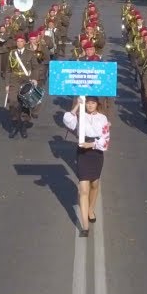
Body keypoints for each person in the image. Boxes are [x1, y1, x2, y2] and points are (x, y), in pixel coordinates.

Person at [62, 96, 110, 238]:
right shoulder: (80, 116)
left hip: (96, 152)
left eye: (92, 103)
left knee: (94, 184)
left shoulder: (102, 118)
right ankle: (85, 226)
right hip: (82, 153)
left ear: (97, 104)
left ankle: (90, 209)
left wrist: (92, 144)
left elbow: (105, 140)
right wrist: (77, 105)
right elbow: (67, 121)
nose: (90, 105)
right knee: (83, 189)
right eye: (88, 103)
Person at [6, 34, 38, 139]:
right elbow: (8, 70)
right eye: (17, 41)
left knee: (25, 103)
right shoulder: (12, 53)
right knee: (12, 101)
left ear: (25, 42)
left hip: (26, 80)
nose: (19, 43)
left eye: (21, 41)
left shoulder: (30, 53)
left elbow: (35, 68)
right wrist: (7, 84)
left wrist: (34, 78)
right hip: (14, 80)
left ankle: (23, 126)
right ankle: (15, 123)